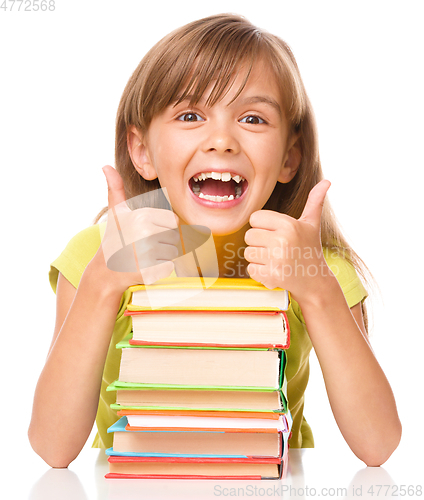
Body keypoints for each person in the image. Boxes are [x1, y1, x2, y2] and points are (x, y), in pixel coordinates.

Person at [28, 13, 401, 468]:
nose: (221, 140)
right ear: (142, 151)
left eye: (252, 118)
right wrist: (103, 284)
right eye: (190, 115)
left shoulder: (315, 268)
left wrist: (319, 289)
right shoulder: (97, 255)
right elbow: (52, 447)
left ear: (290, 157)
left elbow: (378, 444)